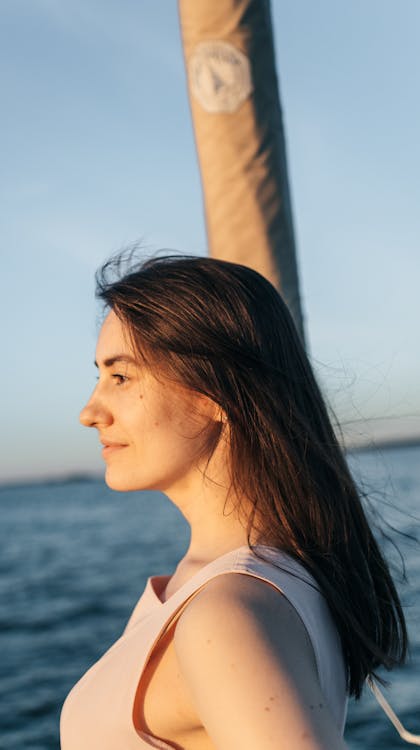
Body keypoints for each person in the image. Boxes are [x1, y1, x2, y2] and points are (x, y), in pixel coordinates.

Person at [60, 251, 407, 750]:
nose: (89, 412)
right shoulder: (263, 578)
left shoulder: (227, 614)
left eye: (120, 376)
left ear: (213, 391)